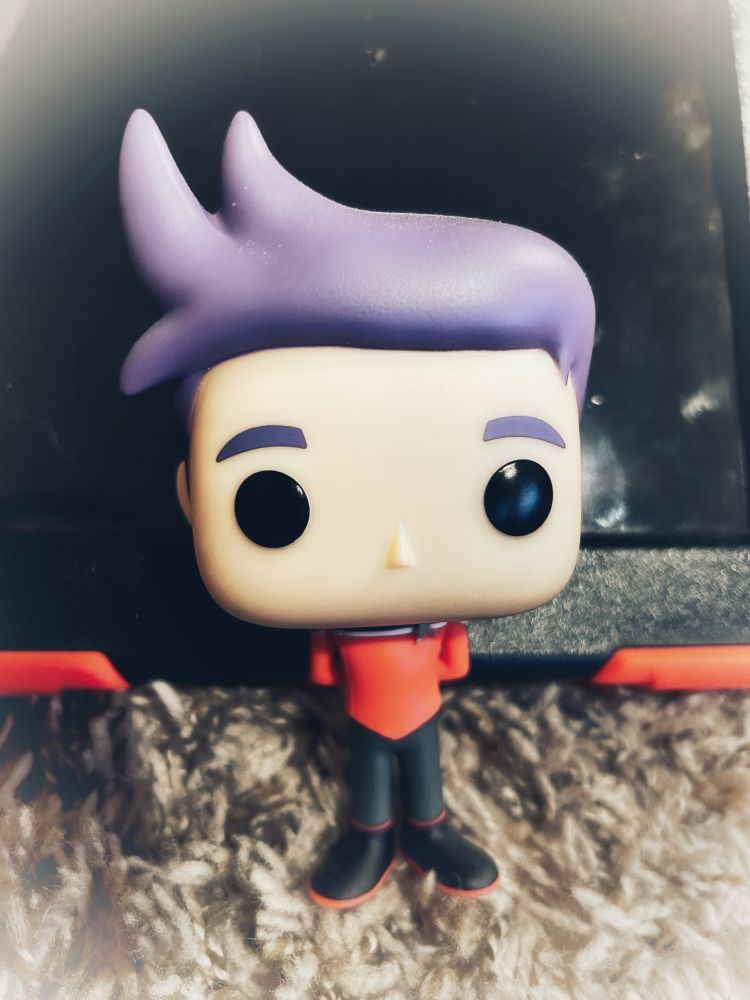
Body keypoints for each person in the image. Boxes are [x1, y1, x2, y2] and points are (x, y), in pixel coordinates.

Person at [119, 109, 595, 908]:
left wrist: (436, 649)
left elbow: (448, 654)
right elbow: (331, 660)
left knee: (421, 764)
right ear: (190, 496)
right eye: (272, 502)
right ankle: (370, 836)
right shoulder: (349, 623)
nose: (401, 550)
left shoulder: (436, 618)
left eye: (515, 491)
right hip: (370, 702)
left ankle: (430, 827)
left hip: (415, 695)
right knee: (373, 769)